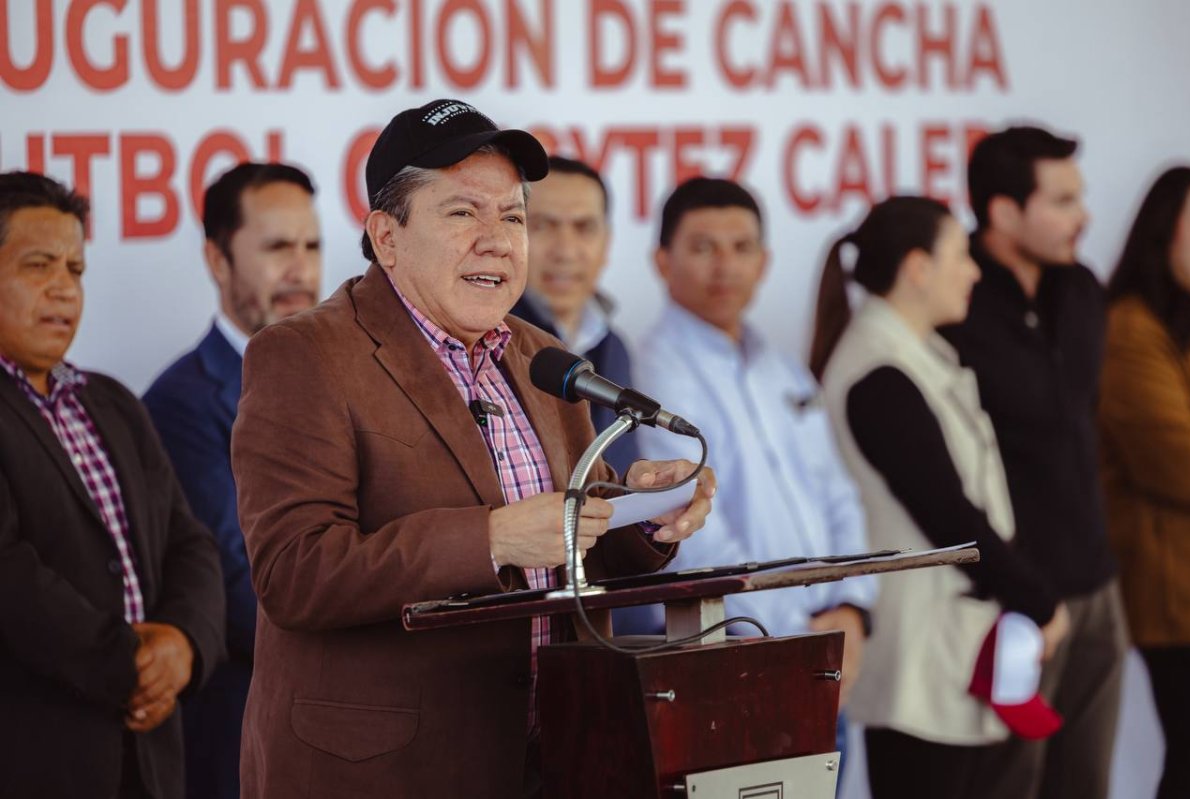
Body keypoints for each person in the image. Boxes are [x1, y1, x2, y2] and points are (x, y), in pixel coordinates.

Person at [230, 98, 715, 798]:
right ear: (387, 236)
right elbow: (294, 572)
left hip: (551, 762)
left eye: (513, 217)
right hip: (388, 775)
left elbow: (575, 546)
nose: (498, 241)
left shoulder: (546, 360)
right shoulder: (303, 355)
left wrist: (642, 515)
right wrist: (490, 539)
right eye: (463, 213)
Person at [814, 196, 1068, 799]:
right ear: (917, 267)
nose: (974, 271)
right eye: (961, 255)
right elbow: (948, 515)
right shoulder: (879, 370)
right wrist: (1037, 600)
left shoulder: (914, 353)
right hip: (919, 654)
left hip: (946, 642)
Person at [0, 171, 225, 798]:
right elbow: (10, 576)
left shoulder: (113, 403)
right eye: (38, 265)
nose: (63, 288)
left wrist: (183, 645)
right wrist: (130, 666)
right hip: (34, 759)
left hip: (147, 759)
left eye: (74, 269)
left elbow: (189, 542)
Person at [939, 125, 1127, 799]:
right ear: (1004, 211)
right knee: (1009, 785)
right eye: (1063, 200)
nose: (1085, 216)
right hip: (1009, 596)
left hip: (1097, 584)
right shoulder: (953, 301)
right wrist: (1015, 583)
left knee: (1087, 783)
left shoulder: (1081, 289)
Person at [633, 176, 874, 692]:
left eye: (741, 248)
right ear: (662, 261)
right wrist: (794, 631)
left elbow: (837, 492)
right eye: (703, 248)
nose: (725, 266)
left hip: (829, 639)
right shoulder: (651, 374)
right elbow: (688, 528)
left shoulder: (783, 369)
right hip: (736, 646)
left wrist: (851, 606)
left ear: (764, 262)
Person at [142, 161, 322, 799]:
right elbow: (240, 587)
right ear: (217, 260)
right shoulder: (181, 405)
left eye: (311, 246)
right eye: (277, 247)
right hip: (248, 738)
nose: (301, 269)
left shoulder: (341, 380)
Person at [1100, 165, 1190, 799]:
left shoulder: (1189, 322)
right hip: (1176, 600)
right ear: (1164, 235)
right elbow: (1182, 464)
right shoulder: (1130, 328)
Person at [510, 155, 639, 473]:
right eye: (543, 226)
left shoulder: (614, 347)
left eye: (584, 228)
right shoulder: (489, 342)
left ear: (606, 243)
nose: (565, 251)